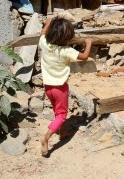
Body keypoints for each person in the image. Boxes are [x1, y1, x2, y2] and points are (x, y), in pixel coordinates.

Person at [39, 17, 92, 157]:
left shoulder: (44, 43)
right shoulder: (67, 51)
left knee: (57, 111)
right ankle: (46, 137)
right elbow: (85, 56)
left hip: (48, 87)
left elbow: (42, 32)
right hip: (60, 88)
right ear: (68, 37)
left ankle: (62, 133)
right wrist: (88, 43)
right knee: (62, 115)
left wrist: (48, 22)